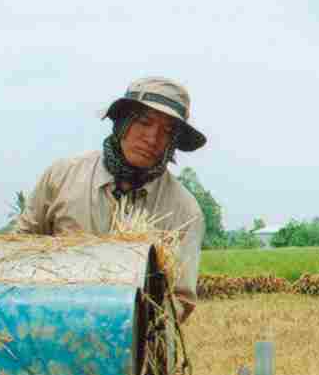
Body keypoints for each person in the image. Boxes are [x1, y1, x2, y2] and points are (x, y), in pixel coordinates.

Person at [17, 77, 207, 317]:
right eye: (144, 122)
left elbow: (181, 300)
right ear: (122, 122)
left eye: (167, 131)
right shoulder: (63, 176)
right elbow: (20, 250)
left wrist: (137, 323)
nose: (152, 138)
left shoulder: (184, 212)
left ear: (174, 142)